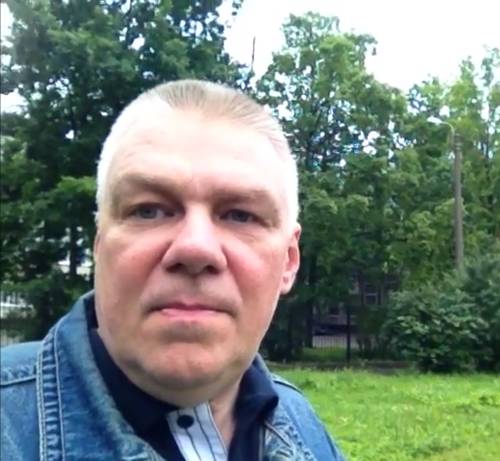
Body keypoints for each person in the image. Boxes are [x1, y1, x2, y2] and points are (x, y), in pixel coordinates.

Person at [1, 80, 345, 461]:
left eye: (240, 215)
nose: (195, 248)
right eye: (148, 211)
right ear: (99, 245)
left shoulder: (303, 425)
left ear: (289, 261)